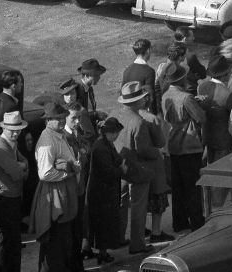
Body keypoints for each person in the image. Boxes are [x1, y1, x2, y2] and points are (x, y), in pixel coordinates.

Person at [111, 81, 167, 252]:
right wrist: (157, 153)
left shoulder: (114, 114)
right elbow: (143, 149)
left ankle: (118, 237)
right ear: (136, 101)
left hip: (119, 166)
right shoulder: (138, 121)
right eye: (142, 97)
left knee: (121, 204)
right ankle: (137, 244)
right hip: (136, 169)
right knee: (138, 207)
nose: (144, 100)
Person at [28, 100, 81, 270]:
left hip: (63, 191)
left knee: (63, 240)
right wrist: (67, 173)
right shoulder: (47, 141)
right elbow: (45, 173)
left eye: (63, 117)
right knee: (56, 240)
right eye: (58, 119)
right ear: (48, 120)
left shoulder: (59, 134)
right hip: (55, 193)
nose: (62, 121)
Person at [158, 63, 207, 234]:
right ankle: (196, 221)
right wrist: (199, 105)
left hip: (173, 143)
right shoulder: (186, 97)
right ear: (182, 79)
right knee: (192, 186)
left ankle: (179, 221)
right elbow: (200, 118)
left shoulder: (165, 95)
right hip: (189, 144)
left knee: (178, 187)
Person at [0, 111, 27, 272]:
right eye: (12, 130)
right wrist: (22, 167)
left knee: (12, 241)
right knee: (7, 241)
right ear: (4, 128)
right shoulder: (0, 148)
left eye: (18, 130)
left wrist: (21, 166)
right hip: (5, 198)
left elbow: (24, 162)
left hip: (12, 196)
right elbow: (18, 174)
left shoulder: (10, 143)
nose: (16, 133)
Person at [84, 118, 126, 264]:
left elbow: (116, 158)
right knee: (103, 225)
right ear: (110, 132)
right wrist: (121, 169)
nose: (117, 135)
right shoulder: (101, 147)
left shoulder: (105, 143)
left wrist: (120, 162)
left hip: (103, 192)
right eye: (116, 133)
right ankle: (102, 254)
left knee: (98, 224)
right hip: (101, 194)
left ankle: (90, 249)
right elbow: (108, 172)